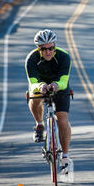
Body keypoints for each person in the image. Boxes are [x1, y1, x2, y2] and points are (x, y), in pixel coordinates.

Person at [25, 29, 73, 174]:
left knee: (62, 120)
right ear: (38, 48)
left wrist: (57, 85)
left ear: (55, 46)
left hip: (60, 86)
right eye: (43, 49)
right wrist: (40, 86)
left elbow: (64, 80)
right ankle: (39, 125)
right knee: (34, 96)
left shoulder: (64, 56)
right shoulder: (31, 59)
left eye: (51, 48)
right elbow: (32, 82)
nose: (48, 52)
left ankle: (64, 156)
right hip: (40, 85)